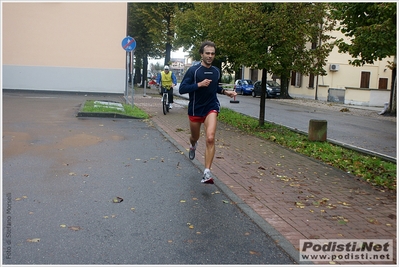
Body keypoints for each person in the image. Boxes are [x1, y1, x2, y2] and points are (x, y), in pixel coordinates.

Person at [179, 41, 237, 184]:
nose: (210, 56)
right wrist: (198, 85)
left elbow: (214, 87)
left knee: (210, 138)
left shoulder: (216, 71)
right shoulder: (194, 71)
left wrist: (225, 92)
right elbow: (182, 88)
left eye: (212, 53)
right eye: (207, 53)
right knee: (194, 137)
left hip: (211, 107)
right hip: (195, 109)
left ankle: (207, 172)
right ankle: (193, 145)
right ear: (201, 54)